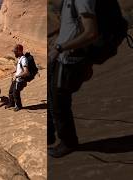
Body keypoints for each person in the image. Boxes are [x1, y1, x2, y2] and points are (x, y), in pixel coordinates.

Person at [49, 0, 99, 158]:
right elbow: (71, 25)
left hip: (69, 60)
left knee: (60, 102)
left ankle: (69, 143)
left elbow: (91, 32)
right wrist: (55, 34)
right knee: (52, 96)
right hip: (61, 57)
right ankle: (51, 134)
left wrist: (60, 47)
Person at [5, 44, 29, 112]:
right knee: (10, 92)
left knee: (16, 93)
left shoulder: (24, 59)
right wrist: (14, 72)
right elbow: (19, 69)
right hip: (16, 79)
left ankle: (19, 106)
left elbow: (26, 72)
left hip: (20, 80)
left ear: (20, 51)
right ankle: (11, 103)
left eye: (15, 51)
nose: (14, 53)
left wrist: (17, 75)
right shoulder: (19, 59)